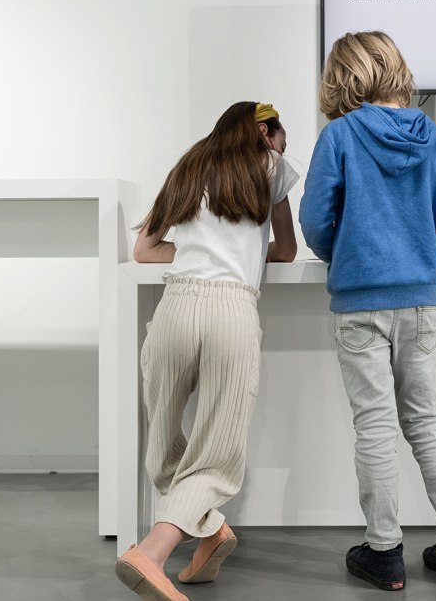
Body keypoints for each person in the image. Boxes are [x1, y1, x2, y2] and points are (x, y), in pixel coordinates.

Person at [299, 31, 436, 592]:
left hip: (361, 305)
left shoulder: (339, 137)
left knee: (375, 425)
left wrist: (349, 254)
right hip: (421, 304)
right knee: (425, 421)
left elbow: (313, 223)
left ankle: (384, 553)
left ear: (343, 76)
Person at [115, 101, 298, 601]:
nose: (285, 147)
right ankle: (151, 552)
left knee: (163, 436)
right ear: (266, 132)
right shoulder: (272, 167)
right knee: (215, 452)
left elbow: (145, 250)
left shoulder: (189, 164)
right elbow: (285, 250)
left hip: (176, 304)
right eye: (282, 137)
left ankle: (212, 532)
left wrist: (199, 252)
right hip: (231, 311)